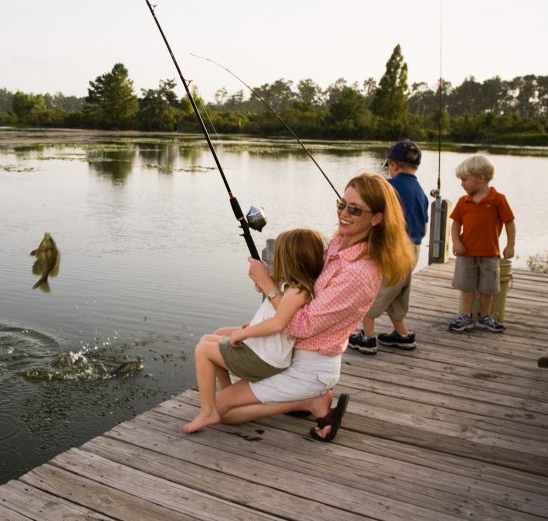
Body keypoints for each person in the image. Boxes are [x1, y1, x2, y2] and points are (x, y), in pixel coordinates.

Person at [212, 173, 415, 442]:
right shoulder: (338, 244)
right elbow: (306, 286)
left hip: (310, 366)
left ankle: (309, 401)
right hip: (290, 347)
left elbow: (302, 324)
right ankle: (267, 392)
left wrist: (270, 288)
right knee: (218, 336)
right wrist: (271, 280)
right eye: (342, 204)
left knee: (222, 410)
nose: (344, 213)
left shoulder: (359, 273)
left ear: (376, 218)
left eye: (355, 209)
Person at [183, 228, 326, 433]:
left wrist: (244, 333)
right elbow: (274, 313)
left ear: (292, 259)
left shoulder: (298, 291)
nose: (277, 260)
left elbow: (279, 323)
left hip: (265, 358)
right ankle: (225, 391)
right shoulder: (292, 286)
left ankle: (208, 411)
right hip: (265, 351)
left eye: (281, 255)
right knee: (209, 338)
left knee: (203, 350)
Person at [348, 139, 428, 354]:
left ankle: (368, 338)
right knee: (397, 292)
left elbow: (375, 215)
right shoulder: (421, 192)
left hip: (392, 250)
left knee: (371, 293)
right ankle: (402, 335)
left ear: (393, 165)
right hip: (413, 250)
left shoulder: (388, 187)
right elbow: (424, 227)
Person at [448, 154, 515, 333]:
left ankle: (485, 317)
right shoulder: (463, 202)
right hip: (466, 253)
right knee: (467, 286)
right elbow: (455, 225)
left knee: (488, 287)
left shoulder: (498, 199)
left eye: (464, 179)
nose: (462, 183)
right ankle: (466, 316)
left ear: (480, 178)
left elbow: (509, 222)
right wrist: (455, 242)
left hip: (490, 253)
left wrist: (510, 245)